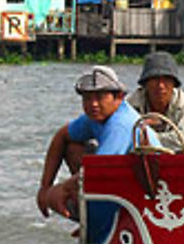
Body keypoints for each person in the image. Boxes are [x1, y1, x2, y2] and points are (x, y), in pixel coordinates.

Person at [37, 65, 144, 218]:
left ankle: (96, 218)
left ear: (119, 97)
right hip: (119, 180)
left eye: (100, 97)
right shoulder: (95, 117)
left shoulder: (120, 124)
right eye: (87, 98)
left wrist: (60, 190)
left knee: (58, 194)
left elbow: (99, 171)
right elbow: (61, 136)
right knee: (72, 148)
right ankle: (91, 216)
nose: (93, 104)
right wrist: (45, 187)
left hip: (142, 192)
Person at [127, 51, 184, 151]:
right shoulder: (129, 104)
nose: (161, 86)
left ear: (174, 84)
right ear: (145, 83)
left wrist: (149, 137)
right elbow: (121, 136)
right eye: (155, 79)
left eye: (166, 80)